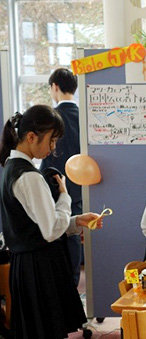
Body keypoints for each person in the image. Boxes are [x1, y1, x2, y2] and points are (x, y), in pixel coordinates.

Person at [0, 105, 103, 339]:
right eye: (52, 140)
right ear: (31, 137)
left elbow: (39, 224)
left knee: (38, 331)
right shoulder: (29, 176)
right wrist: (65, 195)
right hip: (39, 265)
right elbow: (50, 230)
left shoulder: (10, 168)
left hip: (26, 264)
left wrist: (77, 221)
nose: (53, 148)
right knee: (46, 331)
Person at [40, 68, 83, 286]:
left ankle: (62, 284)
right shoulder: (84, 118)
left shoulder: (52, 119)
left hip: (54, 185)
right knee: (77, 234)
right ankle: (76, 283)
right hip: (83, 186)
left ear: (55, 87)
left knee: (58, 232)